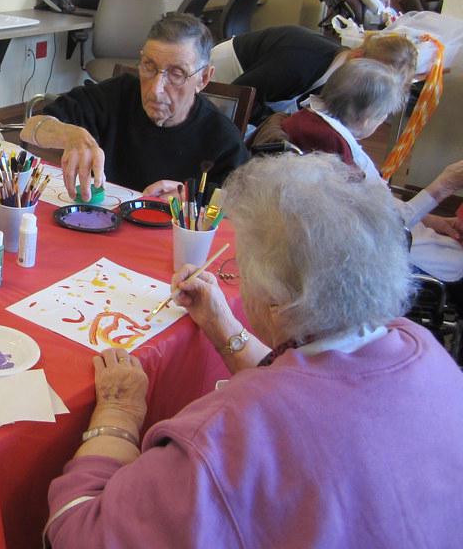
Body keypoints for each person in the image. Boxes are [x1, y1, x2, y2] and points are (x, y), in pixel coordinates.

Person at [45, 153, 463, 547]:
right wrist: (222, 325)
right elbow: (319, 393)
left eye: (240, 265)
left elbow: (79, 532)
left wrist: (118, 416)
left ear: (276, 303)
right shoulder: (420, 346)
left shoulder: (227, 434)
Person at [21, 14, 249, 200]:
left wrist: (192, 201)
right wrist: (68, 134)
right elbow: (30, 129)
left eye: (176, 74)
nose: (155, 89)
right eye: (149, 67)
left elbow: (241, 211)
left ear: (204, 79)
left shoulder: (222, 139)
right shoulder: (115, 95)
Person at [278, 59, 463, 281]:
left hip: (386, 228)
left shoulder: (307, 121)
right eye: (383, 115)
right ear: (367, 118)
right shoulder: (332, 147)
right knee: (455, 262)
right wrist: (443, 186)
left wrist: (430, 220)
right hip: (374, 247)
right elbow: (382, 226)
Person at [209, 25, 418, 123]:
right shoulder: (300, 64)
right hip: (226, 79)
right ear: (358, 54)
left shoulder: (339, 73)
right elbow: (236, 96)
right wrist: (278, 124)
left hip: (265, 90)